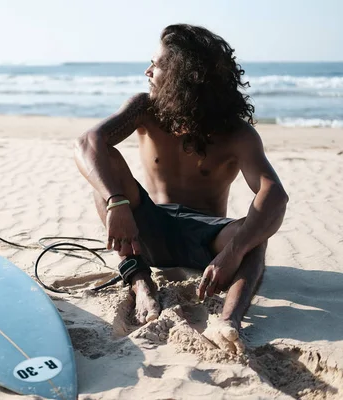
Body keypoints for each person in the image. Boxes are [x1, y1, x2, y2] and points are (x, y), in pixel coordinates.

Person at [73, 24, 288, 353]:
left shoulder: (236, 134)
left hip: (208, 239)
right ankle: (140, 280)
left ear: (181, 74)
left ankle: (229, 321)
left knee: (256, 237)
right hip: (149, 228)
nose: (147, 71)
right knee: (105, 172)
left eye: (155, 65)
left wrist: (231, 254)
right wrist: (116, 202)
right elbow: (89, 142)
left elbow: (274, 194)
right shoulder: (144, 109)